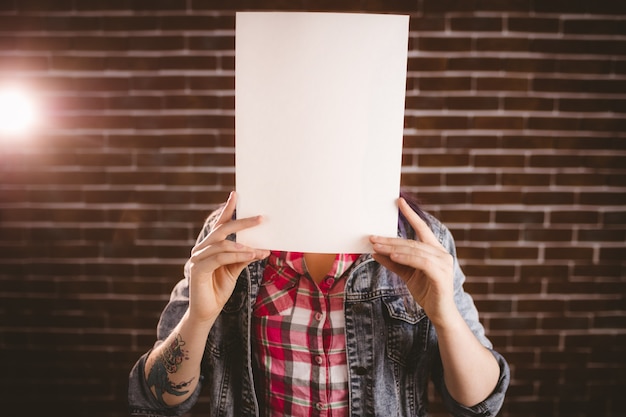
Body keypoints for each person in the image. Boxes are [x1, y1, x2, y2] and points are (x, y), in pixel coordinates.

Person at [128, 191, 509, 417]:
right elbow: (159, 398)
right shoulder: (229, 237)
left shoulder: (423, 242)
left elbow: (479, 405)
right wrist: (199, 317)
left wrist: (445, 318)